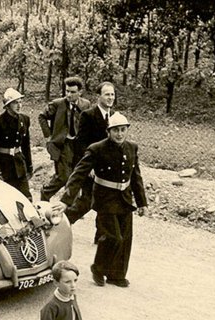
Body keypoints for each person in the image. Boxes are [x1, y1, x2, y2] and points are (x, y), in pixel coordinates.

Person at [57, 113, 147, 287]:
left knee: (126, 238)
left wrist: (142, 203)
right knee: (113, 236)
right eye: (115, 131)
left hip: (125, 199)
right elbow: (79, 174)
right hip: (104, 199)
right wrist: (66, 200)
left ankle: (116, 275)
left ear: (127, 130)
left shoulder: (132, 148)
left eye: (122, 130)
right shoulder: (97, 149)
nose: (119, 134)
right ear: (108, 131)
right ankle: (98, 268)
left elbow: (136, 177)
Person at [65, 81, 116, 224]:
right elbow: (81, 143)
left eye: (112, 94)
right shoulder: (88, 115)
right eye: (107, 94)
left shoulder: (114, 116)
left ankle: (101, 237)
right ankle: (62, 223)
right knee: (86, 201)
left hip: (108, 169)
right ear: (98, 96)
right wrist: (89, 166)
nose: (110, 98)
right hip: (92, 167)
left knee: (106, 202)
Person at [38, 77, 91, 202]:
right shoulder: (57, 104)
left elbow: (89, 123)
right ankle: (45, 193)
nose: (68, 95)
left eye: (72, 92)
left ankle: (70, 203)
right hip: (62, 144)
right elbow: (42, 117)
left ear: (80, 92)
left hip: (78, 144)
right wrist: (49, 136)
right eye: (67, 91)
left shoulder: (86, 105)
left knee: (76, 174)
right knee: (63, 176)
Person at [0, 87, 33, 200]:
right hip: (4, 166)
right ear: (7, 106)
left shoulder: (24, 119)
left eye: (20, 102)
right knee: (7, 199)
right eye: (15, 103)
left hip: (19, 164)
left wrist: (29, 166)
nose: (19, 105)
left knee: (27, 198)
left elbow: (26, 145)